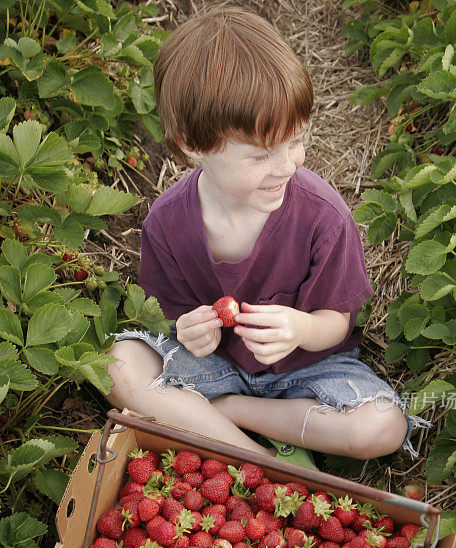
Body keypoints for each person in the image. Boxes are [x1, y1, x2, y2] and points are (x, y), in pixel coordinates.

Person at [107, 5, 425, 467]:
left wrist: (300, 328)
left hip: (307, 371)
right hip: (217, 367)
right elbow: (172, 319)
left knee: (382, 424)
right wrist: (189, 330)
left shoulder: (323, 217)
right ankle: (254, 458)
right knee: (118, 365)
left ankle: (228, 417)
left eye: (296, 139)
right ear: (192, 145)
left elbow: (337, 320)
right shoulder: (166, 223)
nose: (288, 164)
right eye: (260, 156)